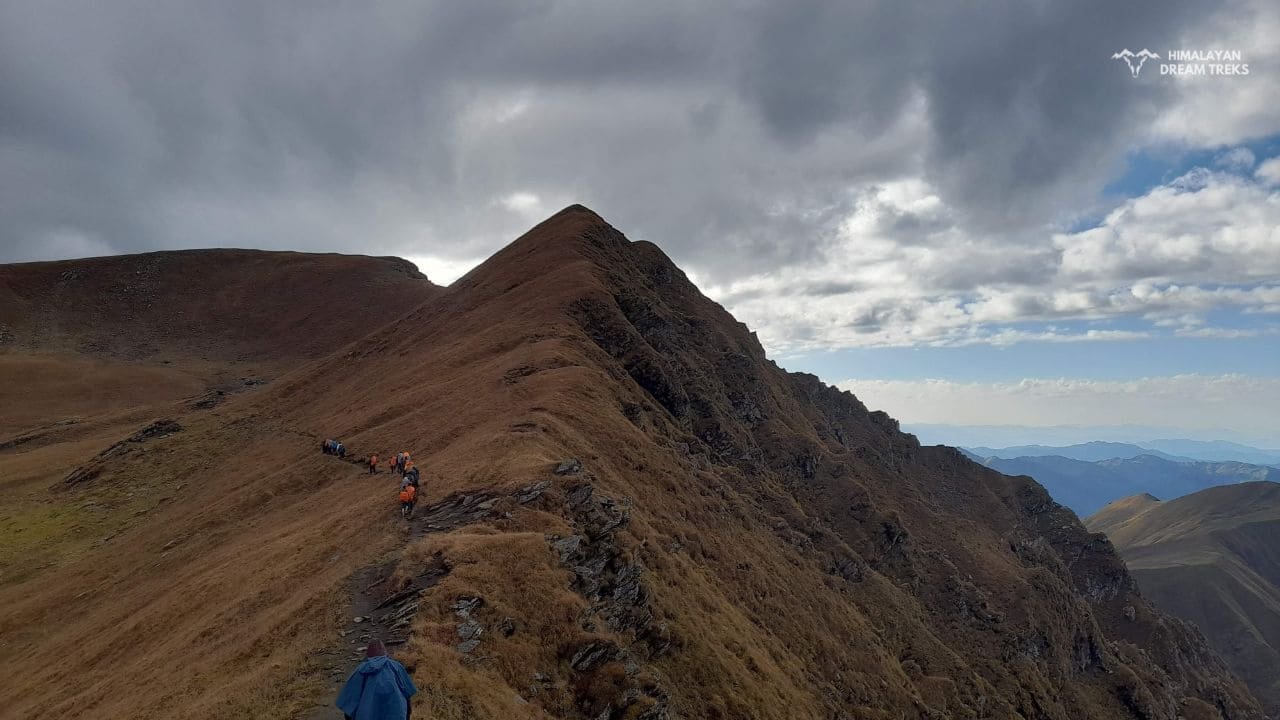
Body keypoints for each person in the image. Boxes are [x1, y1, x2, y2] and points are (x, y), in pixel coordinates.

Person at [335, 640, 416, 720]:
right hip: (396, 714)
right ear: (385, 654)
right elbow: (407, 695)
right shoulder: (396, 667)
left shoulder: (360, 670)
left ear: (368, 655)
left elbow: (349, 703)